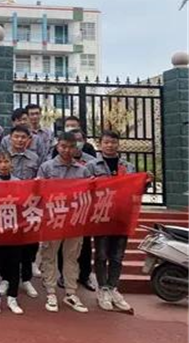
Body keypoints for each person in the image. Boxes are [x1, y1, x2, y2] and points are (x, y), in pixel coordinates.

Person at [87, 130, 150, 312]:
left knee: (117, 256)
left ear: (118, 144)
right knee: (101, 254)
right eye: (106, 142)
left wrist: (145, 183)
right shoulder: (91, 166)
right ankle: (102, 289)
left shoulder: (128, 167)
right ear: (100, 144)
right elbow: (84, 191)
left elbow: (136, 191)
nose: (110, 145)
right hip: (101, 216)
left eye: (113, 142)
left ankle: (113, 287)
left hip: (122, 216)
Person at [37, 132, 90, 313]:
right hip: (52, 219)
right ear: (57, 146)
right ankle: (51, 292)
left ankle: (71, 292)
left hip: (74, 220)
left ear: (76, 148)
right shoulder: (46, 168)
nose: (67, 150)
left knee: (71, 257)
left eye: (71, 147)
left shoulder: (83, 171)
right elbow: (38, 194)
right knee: (49, 255)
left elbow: (88, 195)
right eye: (63, 146)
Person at [0, 125, 41, 299]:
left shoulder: (35, 158)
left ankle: (26, 279)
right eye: (16, 136)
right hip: (8, 206)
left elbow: (40, 181)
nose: (19, 140)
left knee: (28, 245)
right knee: (6, 245)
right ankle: (5, 278)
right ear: (10, 138)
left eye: (23, 137)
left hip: (28, 206)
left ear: (28, 140)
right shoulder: (3, 156)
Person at [0, 151, 24, 315]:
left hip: (14, 230)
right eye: (0, 162)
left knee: (14, 264)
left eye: (6, 161)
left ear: (11, 163)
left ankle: (12, 297)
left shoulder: (19, 183)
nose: (3, 165)